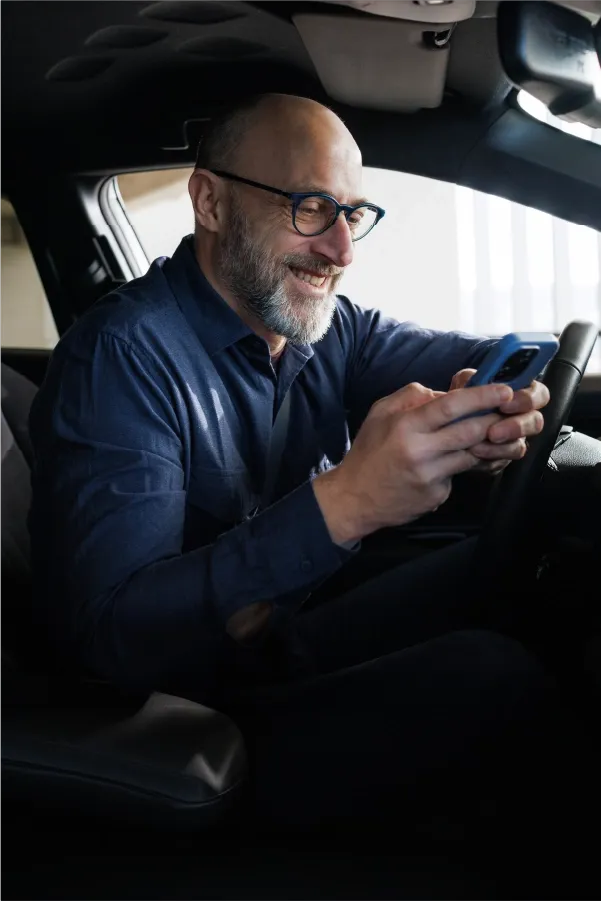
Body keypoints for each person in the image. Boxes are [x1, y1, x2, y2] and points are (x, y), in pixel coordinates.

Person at [29, 93, 584, 844]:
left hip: (285, 636)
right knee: (492, 673)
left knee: (519, 569)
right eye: (312, 207)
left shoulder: (325, 328)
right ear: (210, 201)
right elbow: (115, 639)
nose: (342, 249)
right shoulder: (122, 358)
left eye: (353, 214)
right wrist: (347, 502)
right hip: (192, 718)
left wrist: (496, 402)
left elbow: (472, 359)